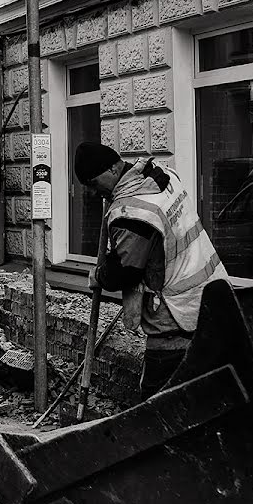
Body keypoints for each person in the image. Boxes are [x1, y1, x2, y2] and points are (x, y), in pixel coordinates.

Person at [74, 141, 229, 400]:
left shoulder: (132, 211)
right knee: (206, 383)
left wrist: (99, 275)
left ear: (113, 169)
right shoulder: (161, 174)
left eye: (93, 182)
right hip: (212, 289)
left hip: (175, 311)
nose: (92, 191)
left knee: (158, 396)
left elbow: (126, 271)